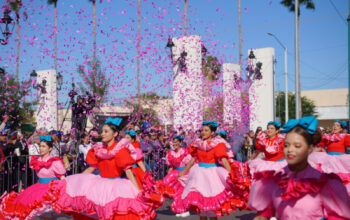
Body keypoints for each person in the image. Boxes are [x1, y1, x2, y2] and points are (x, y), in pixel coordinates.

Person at [47, 117, 164, 219]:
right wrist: (74, 182)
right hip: (99, 185)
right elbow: (91, 168)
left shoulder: (120, 150)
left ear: (115, 134)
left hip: (117, 187)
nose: (102, 134)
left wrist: (138, 190)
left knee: (118, 213)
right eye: (102, 131)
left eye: (106, 131)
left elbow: (128, 172)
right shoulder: (98, 149)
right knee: (93, 211)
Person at [248, 116, 350, 219]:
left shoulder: (326, 184)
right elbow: (262, 216)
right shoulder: (270, 181)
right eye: (287, 145)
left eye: (297, 146)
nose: (290, 150)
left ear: (310, 149)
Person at [172, 121, 243, 219]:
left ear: (212, 133)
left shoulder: (218, 144)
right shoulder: (198, 143)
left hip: (213, 175)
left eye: (206, 130)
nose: (203, 132)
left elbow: (224, 160)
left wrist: (232, 174)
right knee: (202, 208)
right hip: (199, 174)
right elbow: (192, 160)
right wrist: (183, 172)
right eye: (202, 130)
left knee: (212, 208)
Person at [0, 135, 66, 219]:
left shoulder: (55, 162)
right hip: (38, 188)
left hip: (51, 190)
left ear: (50, 149)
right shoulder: (37, 161)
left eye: (43, 146)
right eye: (40, 146)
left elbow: (62, 179)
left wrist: (64, 193)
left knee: (50, 214)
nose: (40, 148)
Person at [159, 134, 191, 217]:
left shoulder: (185, 152)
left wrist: (184, 173)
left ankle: (185, 209)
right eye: (173, 143)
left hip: (184, 173)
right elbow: (171, 166)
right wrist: (168, 176)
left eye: (176, 142)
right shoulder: (170, 153)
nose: (174, 144)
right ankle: (179, 209)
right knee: (176, 193)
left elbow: (189, 164)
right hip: (175, 173)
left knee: (183, 192)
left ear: (180, 143)